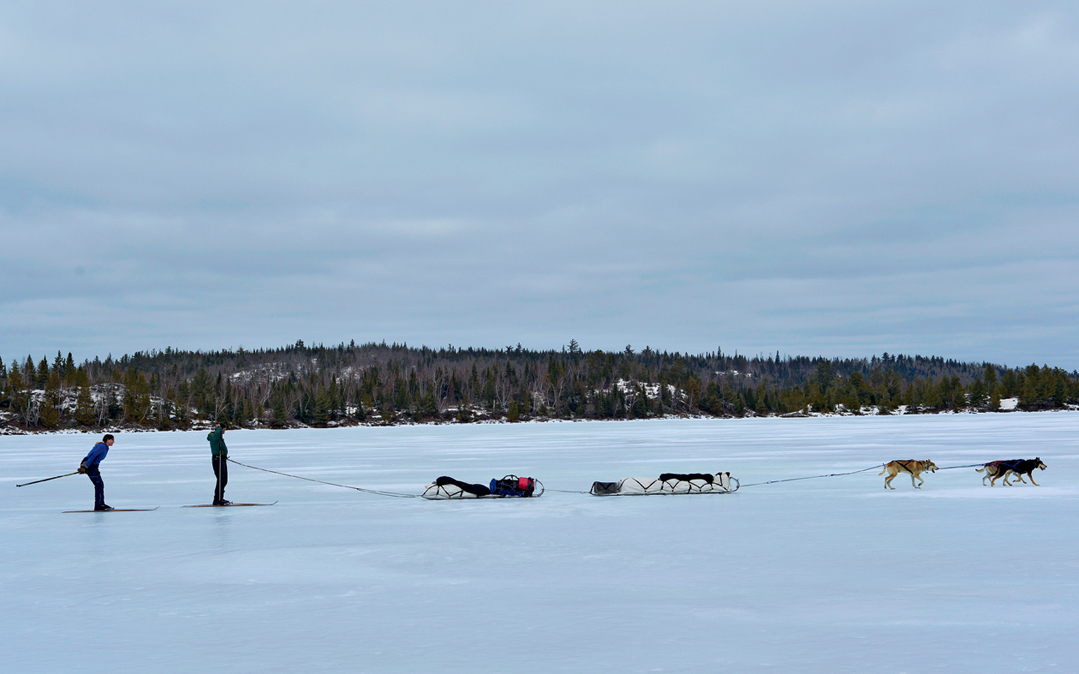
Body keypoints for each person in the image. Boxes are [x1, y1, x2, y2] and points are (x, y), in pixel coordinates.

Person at [77, 434, 114, 511]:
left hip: (92, 466)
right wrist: (85, 467)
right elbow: (92, 456)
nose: (113, 441)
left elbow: (97, 459)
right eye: (112, 439)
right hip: (89, 464)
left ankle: (100, 504)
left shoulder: (105, 447)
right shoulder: (101, 446)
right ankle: (99, 505)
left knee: (99, 484)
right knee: (99, 484)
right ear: (107, 440)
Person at [207, 422, 231, 505]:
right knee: (221, 480)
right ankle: (217, 500)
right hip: (217, 461)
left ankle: (220, 498)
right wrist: (219, 427)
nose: (224, 432)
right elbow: (216, 436)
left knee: (224, 480)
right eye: (223, 430)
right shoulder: (214, 436)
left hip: (222, 460)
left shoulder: (219, 438)